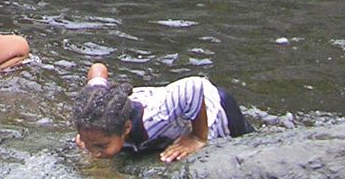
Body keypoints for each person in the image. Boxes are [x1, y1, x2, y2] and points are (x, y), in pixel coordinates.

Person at [72, 63, 254, 163]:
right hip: (170, 106)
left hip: (215, 107)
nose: (94, 153)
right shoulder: (96, 104)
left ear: (126, 128)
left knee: (247, 145)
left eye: (101, 146)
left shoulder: (154, 118)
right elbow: (98, 69)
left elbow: (194, 86)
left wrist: (198, 137)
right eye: (89, 144)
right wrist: (89, 134)